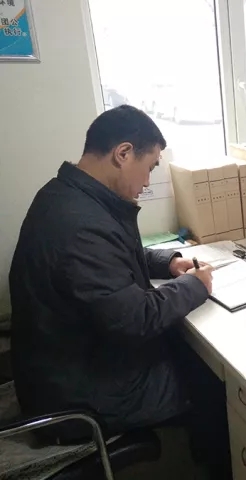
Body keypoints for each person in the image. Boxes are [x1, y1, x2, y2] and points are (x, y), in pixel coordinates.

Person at [9, 105, 230, 478]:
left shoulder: (67, 196)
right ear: (123, 153)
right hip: (82, 394)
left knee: (190, 352)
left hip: (70, 366)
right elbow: (137, 318)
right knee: (213, 378)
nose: (147, 182)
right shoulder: (80, 225)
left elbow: (113, 258)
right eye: (150, 167)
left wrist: (169, 263)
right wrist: (196, 285)